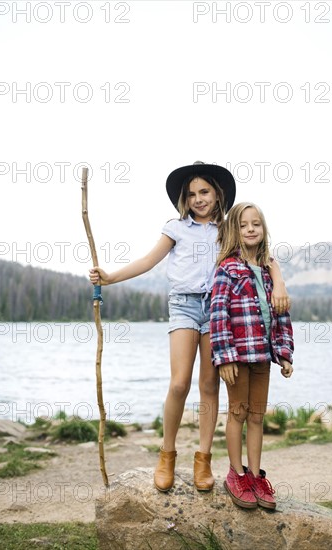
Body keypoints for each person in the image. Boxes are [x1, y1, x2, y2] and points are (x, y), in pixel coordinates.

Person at [89, 163, 290, 493]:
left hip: (216, 308)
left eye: (205, 192)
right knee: (180, 382)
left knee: (210, 384)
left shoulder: (229, 228)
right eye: (192, 194)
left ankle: (204, 459)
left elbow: (265, 257)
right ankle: (166, 455)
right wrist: (110, 277)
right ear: (185, 198)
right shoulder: (176, 228)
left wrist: (279, 284)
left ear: (217, 194)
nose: (198, 199)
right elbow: (148, 260)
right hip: (183, 305)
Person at [210, 201, 294, 509]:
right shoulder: (227, 269)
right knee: (238, 412)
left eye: (255, 224)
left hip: (262, 357)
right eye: (244, 225)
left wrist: (284, 354)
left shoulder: (270, 272)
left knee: (257, 416)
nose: (250, 229)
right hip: (237, 356)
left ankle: (256, 475)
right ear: (234, 229)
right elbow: (217, 314)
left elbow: (282, 315)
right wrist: (224, 356)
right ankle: (236, 473)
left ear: (263, 229)